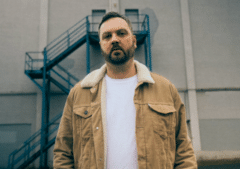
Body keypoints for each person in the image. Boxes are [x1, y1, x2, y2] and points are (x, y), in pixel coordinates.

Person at [53, 12, 197, 169]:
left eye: (121, 33)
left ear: (134, 41)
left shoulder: (165, 89)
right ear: (101, 44)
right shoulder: (79, 93)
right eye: (107, 36)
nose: (114, 39)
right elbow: (63, 153)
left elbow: (184, 151)